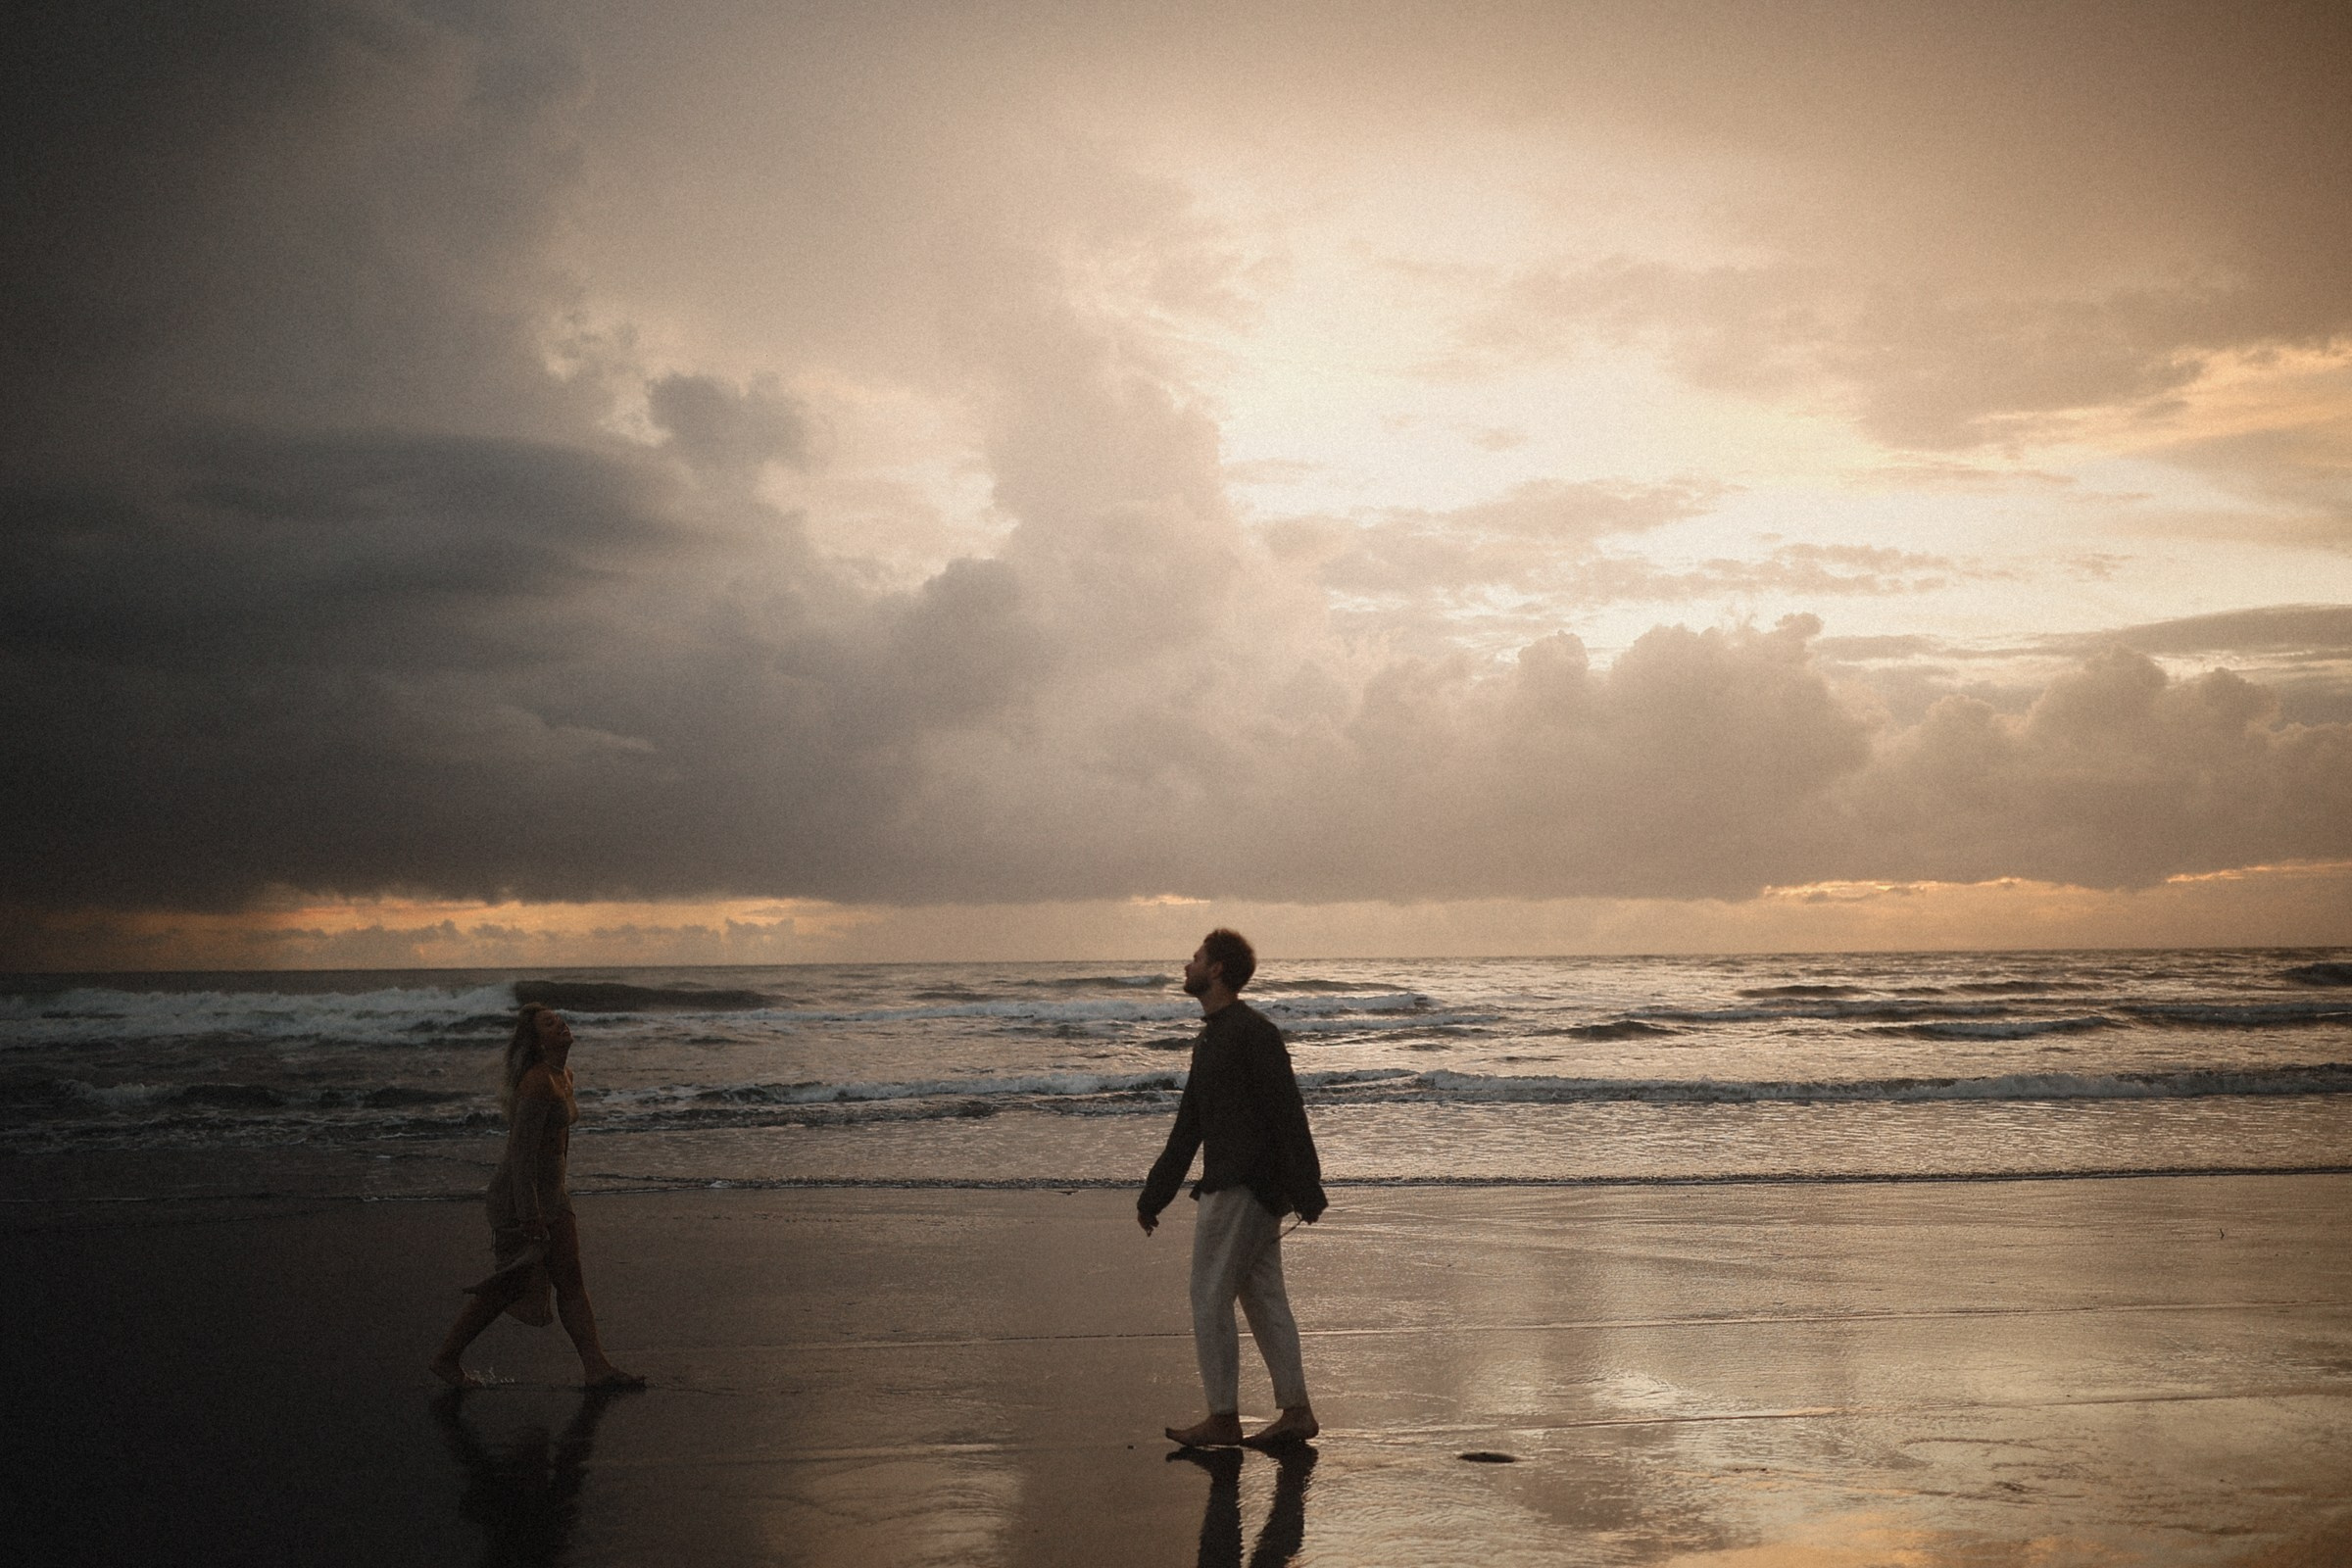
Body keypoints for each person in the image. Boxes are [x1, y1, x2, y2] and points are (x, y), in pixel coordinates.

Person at [1139, 929, 1328, 1448]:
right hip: (1248, 1186)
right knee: (1263, 1298)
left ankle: (1223, 1416)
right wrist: (1155, 1194)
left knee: (1207, 1295)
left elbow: (1287, 1110)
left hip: (1242, 1186)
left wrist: (1306, 1186)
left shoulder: (1251, 1033)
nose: (1187, 965)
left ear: (1217, 969)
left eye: (1196, 958)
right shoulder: (1214, 1037)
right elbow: (1189, 1125)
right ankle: (1296, 1412)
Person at [430, 1004, 644, 1390]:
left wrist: (557, 1196)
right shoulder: (536, 1083)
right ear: (537, 1039)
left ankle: (597, 1368)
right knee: (508, 1287)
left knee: (571, 1279)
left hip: (551, 1196)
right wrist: (530, 1215)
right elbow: (521, 1156)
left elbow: (559, 1146)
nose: (560, 1023)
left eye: (559, 1018)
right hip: (519, 1199)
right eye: (549, 1023)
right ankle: (446, 1360)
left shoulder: (564, 1076)